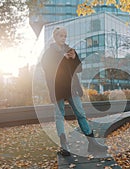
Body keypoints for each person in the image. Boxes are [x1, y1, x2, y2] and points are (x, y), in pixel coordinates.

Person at [41, 27, 108, 156]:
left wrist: (74, 58)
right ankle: (64, 146)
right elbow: (47, 68)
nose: (64, 38)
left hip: (71, 87)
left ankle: (92, 143)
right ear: (55, 37)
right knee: (59, 116)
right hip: (57, 88)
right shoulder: (49, 53)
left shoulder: (70, 50)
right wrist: (62, 58)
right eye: (61, 35)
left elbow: (79, 69)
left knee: (81, 114)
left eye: (65, 35)